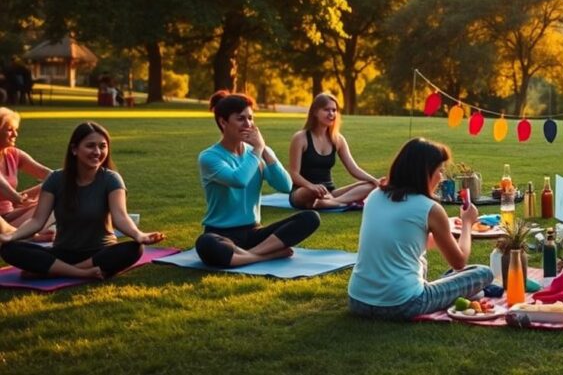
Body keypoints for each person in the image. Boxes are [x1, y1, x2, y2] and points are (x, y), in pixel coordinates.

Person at [347, 137, 492, 320]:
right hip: (403, 304)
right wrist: (467, 224)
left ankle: (464, 292)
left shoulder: (375, 196)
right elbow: (459, 262)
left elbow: (404, 242)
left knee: (436, 268)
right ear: (425, 173)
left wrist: (444, 232)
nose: (441, 177)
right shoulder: (429, 208)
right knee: (482, 272)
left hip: (358, 301)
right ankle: (466, 293)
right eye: (439, 171)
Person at [0, 122, 164, 279]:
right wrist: (11, 237)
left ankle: (56, 271)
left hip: (100, 252)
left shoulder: (112, 179)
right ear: (74, 149)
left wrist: (139, 235)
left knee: (135, 249)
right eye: (90, 145)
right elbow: (37, 221)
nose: (97, 152)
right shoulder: (56, 180)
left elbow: (120, 217)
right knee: (9, 249)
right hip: (63, 252)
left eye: (102, 146)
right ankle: (81, 272)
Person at [194, 91, 320, 267]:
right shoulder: (209, 157)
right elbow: (239, 180)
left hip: (254, 233)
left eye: (251, 118)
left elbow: (285, 185)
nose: (248, 124)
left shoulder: (259, 152)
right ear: (223, 122)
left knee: (310, 218)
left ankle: (248, 255)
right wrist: (258, 149)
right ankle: (265, 255)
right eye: (241, 119)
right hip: (221, 235)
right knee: (205, 244)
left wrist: (265, 151)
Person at [287, 92, 380, 209]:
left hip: (330, 192)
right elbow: (294, 174)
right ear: (315, 112)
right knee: (312, 193)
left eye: (334, 110)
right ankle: (334, 202)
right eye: (327, 110)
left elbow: (353, 169)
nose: (331, 114)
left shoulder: (337, 139)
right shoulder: (300, 138)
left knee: (371, 185)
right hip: (303, 191)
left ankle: (333, 202)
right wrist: (311, 186)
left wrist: (375, 180)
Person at [0, 108, 53, 230]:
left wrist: (65, 179)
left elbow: (46, 173)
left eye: (16, 130)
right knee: (52, 206)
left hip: (10, 213)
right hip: (2, 222)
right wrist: (26, 201)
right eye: (9, 130)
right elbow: (11, 194)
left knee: (57, 187)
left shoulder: (13, 154)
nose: (15, 134)